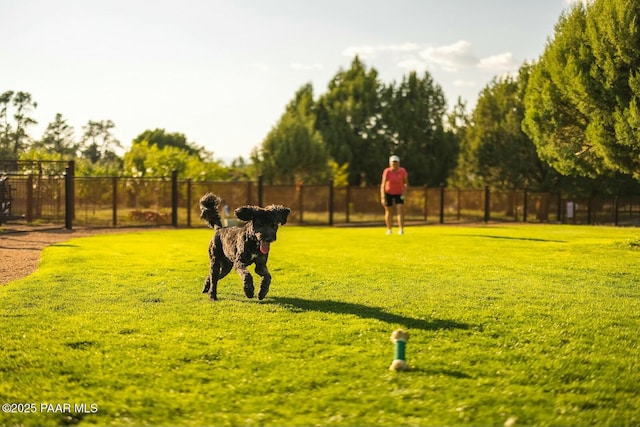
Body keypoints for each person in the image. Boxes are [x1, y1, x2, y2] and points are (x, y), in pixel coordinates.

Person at [380, 155, 408, 235]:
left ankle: (401, 229)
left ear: (399, 163)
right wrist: (382, 197)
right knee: (388, 210)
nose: (394, 164)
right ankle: (389, 229)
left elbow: (406, 183)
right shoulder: (387, 171)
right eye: (393, 163)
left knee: (400, 209)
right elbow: (383, 185)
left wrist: (404, 193)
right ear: (390, 163)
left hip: (399, 193)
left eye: (396, 163)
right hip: (388, 192)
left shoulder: (402, 171)